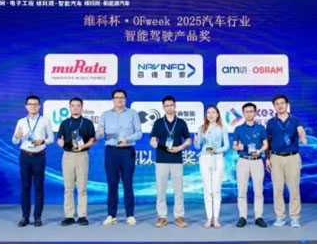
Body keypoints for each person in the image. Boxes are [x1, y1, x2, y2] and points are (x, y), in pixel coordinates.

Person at [97, 89, 142, 226]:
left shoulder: (133, 113)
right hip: (111, 152)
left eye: (122, 97)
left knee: (128, 183)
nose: (120, 100)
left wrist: (128, 139)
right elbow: (98, 135)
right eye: (117, 97)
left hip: (127, 151)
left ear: (125, 99)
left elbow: (139, 133)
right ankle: (111, 215)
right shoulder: (105, 115)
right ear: (113, 100)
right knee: (112, 184)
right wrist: (100, 133)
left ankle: (130, 215)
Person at [12, 95, 54, 227]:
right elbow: (14, 141)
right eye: (30, 104)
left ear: (39, 107)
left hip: (39, 157)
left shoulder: (45, 121)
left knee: (39, 187)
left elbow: (51, 138)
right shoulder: (21, 121)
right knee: (25, 187)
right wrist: (16, 137)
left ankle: (37, 217)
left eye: (35, 104)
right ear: (26, 107)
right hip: (25, 156)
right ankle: (25, 216)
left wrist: (43, 141)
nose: (33, 107)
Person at [265, 94, 307, 228]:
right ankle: (280, 217)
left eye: (282, 103)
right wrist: (267, 158)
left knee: (294, 189)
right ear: (274, 106)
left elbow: (301, 131)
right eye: (277, 104)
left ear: (287, 104)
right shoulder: (271, 122)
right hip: (276, 158)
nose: (280, 106)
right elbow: (267, 141)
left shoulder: (295, 120)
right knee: (277, 189)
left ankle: (294, 217)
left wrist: (303, 137)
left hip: (292, 157)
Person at [150, 96, 192, 228]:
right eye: (167, 106)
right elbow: (153, 139)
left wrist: (180, 147)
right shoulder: (158, 122)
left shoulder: (181, 122)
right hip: (162, 159)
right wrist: (153, 143)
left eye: (171, 105)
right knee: (161, 189)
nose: (169, 108)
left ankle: (179, 216)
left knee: (178, 190)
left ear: (175, 106)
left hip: (176, 159)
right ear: (163, 107)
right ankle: (162, 216)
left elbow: (188, 140)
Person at [57, 97, 96, 226]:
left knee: (82, 188)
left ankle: (82, 216)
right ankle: (69, 216)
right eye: (73, 105)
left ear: (81, 107)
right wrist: (60, 142)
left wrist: (84, 146)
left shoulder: (87, 123)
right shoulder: (64, 123)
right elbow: (59, 139)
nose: (75, 108)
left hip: (82, 156)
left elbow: (92, 140)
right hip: (68, 156)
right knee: (68, 188)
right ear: (69, 107)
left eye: (78, 105)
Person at [232, 102, 269, 228]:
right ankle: (242, 217)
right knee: (242, 190)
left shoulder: (261, 128)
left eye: (251, 111)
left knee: (258, 190)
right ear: (243, 113)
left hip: (257, 160)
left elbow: (266, 144)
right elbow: (234, 146)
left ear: (255, 113)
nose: (249, 114)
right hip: (243, 160)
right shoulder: (238, 129)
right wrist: (238, 147)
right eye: (246, 112)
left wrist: (260, 150)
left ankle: (259, 217)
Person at [194, 105, 229, 228]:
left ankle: (216, 218)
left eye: (213, 112)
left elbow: (227, 146)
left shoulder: (222, 128)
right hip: (204, 158)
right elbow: (198, 147)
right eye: (208, 112)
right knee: (207, 189)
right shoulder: (201, 128)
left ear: (217, 114)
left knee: (216, 189)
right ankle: (209, 218)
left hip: (218, 158)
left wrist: (216, 150)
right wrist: (196, 141)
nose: (210, 115)